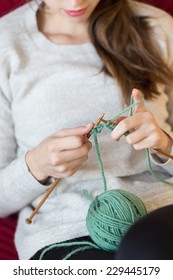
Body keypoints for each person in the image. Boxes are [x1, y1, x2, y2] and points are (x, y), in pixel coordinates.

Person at [0, 0, 173, 260]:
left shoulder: (158, 28)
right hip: (64, 231)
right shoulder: (7, 43)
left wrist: (165, 145)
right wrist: (36, 166)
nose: (75, 2)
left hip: (162, 210)